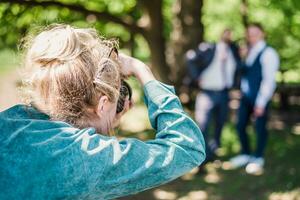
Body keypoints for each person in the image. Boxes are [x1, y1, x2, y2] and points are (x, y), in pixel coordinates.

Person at [0, 24, 205, 199]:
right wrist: (141, 70)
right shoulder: (85, 155)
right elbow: (188, 147)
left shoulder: (10, 121)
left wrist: (100, 121)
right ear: (102, 104)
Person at [229, 23, 280, 175]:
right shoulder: (249, 52)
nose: (251, 36)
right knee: (240, 125)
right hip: (245, 97)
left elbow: (269, 80)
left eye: (255, 33)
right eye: (249, 33)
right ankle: (245, 154)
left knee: (259, 128)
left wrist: (261, 102)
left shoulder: (268, 53)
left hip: (259, 98)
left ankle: (258, 158)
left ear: (262, 33)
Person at [185, 29, 240, 162]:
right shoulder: (209, 48)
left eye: (231, 33)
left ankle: (212, 152)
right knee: (203, 125)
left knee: (220, 124)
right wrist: (196, 77)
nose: (229, 35)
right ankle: (202, 157)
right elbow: (190, 59)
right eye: (226, 32)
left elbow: (239, 70)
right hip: (207, 93)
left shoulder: (233, 52)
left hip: (224, 94)